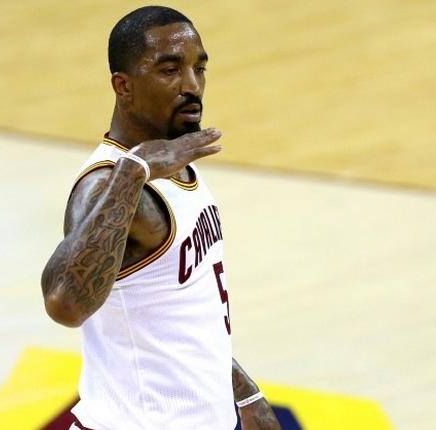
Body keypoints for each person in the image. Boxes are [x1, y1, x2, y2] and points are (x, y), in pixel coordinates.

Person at [41, 6, 281, 430]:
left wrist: (245, 393)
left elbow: (185, 315)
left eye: (199, 68)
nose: (192, 86)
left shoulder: (177, 163)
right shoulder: (106, 183)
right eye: (170, 70)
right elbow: (65, 303)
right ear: (124, 86)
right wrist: (135, 172)